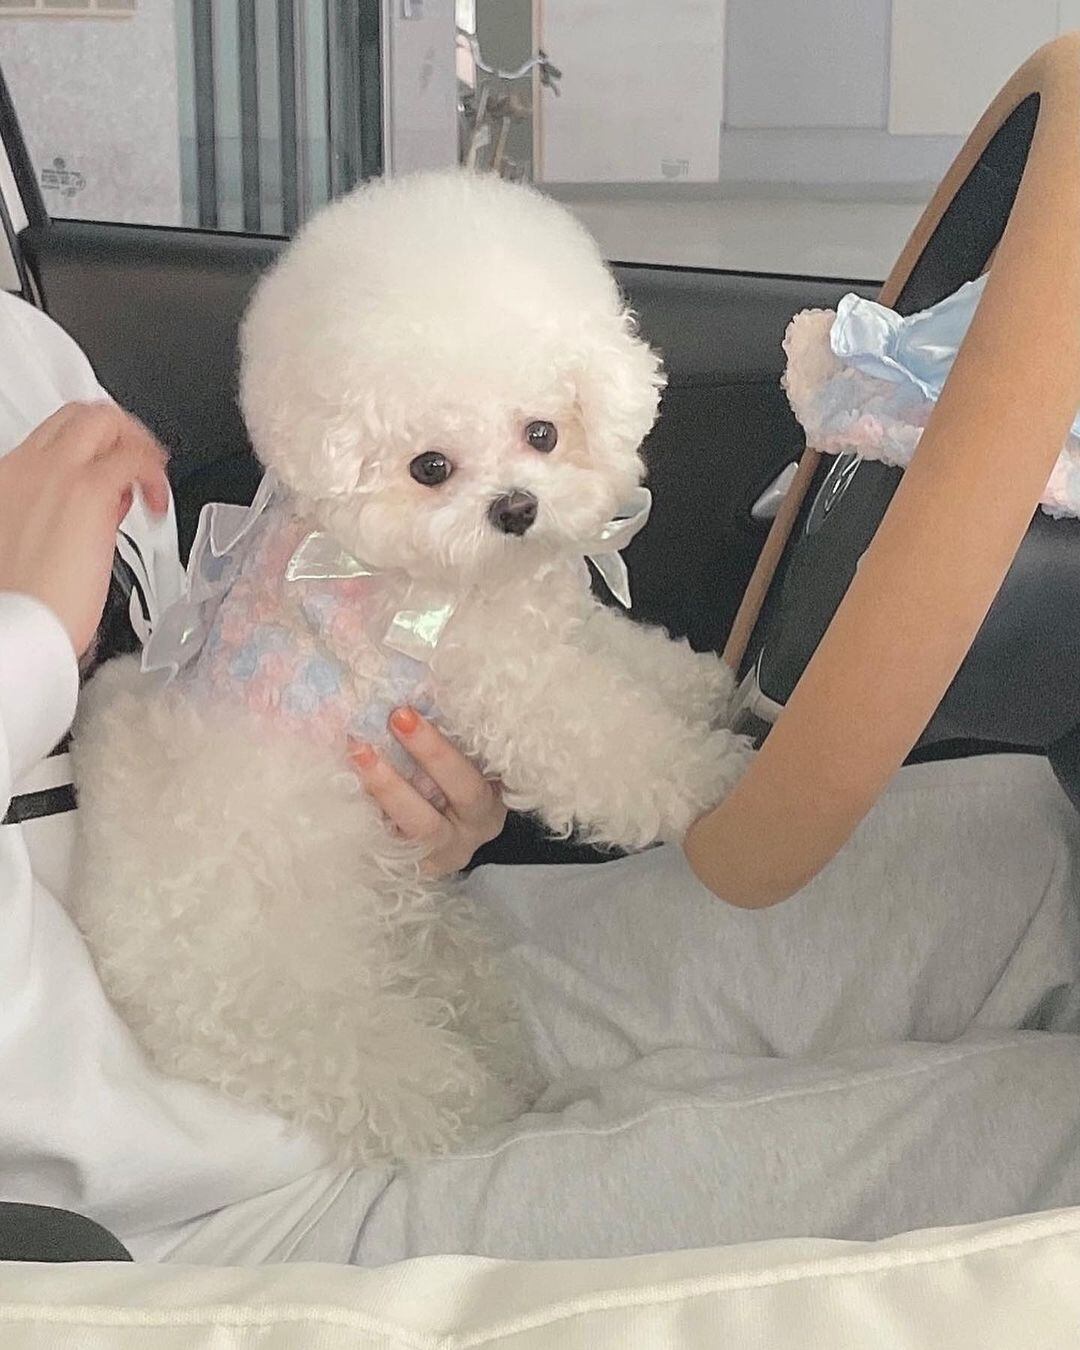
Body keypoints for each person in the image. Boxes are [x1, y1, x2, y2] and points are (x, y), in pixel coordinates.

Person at [4, 286, 1080, 1267]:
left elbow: (190, 664)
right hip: (176, 1204)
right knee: (1045, 1136)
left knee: (1024, 860)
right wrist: (28, 633)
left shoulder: (28, 354)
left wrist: (397, 823)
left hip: (356, 932)